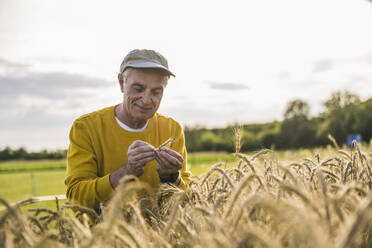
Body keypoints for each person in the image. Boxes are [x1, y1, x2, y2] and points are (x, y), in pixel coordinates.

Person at [64, 49, 191, 213]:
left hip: (160, 236)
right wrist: (127, 172)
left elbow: (187, 199)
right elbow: (76, 197)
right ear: (121, 82)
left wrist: (172, 177)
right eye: (138, 89)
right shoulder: (86, 127)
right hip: (104, 236)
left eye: (156, 92)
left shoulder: (172, 129)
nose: (146, 100)